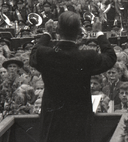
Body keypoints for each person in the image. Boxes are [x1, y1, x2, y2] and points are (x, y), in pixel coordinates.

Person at [30, 11, 116, 142]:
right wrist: (99, 33)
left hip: (52, 119)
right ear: (79, 32)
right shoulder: (87, 56)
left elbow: (34, 53)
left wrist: (47, 34)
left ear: (57, 30)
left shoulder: (45, 54)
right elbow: (110, 57)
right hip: (79, 120)